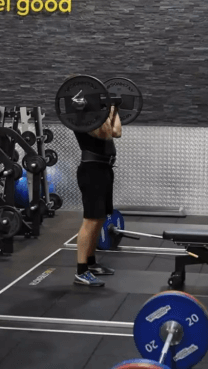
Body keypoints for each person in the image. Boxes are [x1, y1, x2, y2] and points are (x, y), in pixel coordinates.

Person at [73, 103, 122, 287]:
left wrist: (114, 110)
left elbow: (116, 131)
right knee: (91, 220)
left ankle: (91, 262)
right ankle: (81, 270)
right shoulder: (82, 119)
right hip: (91, 171)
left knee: (100, 218)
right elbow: (110, 133)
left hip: (105, 169)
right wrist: (110, 112)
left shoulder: (97, 116)